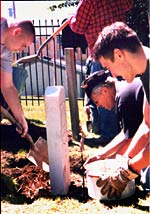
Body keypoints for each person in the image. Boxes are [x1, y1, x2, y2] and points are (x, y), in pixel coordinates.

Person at [85, 22, 150, 197]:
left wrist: (127, 171)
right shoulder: (145, 71)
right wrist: (122, 163)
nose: (112, 75)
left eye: (108, 67)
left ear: (119, 55)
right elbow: (147, 125)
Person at [69, 0, 133, 141]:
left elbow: (78, 27)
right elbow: (128, 4)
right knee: (121, 91)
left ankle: (110, 135)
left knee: (103, 94)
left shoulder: (88, 1)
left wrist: (72, 19)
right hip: (121, 52)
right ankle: (126, 131)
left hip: (101, 54)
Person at [1, 17, 35, 137]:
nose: (21, 50)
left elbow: (8, 86)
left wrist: (20, 117)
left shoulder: (6, 52)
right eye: (23, 45)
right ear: (17, 32)